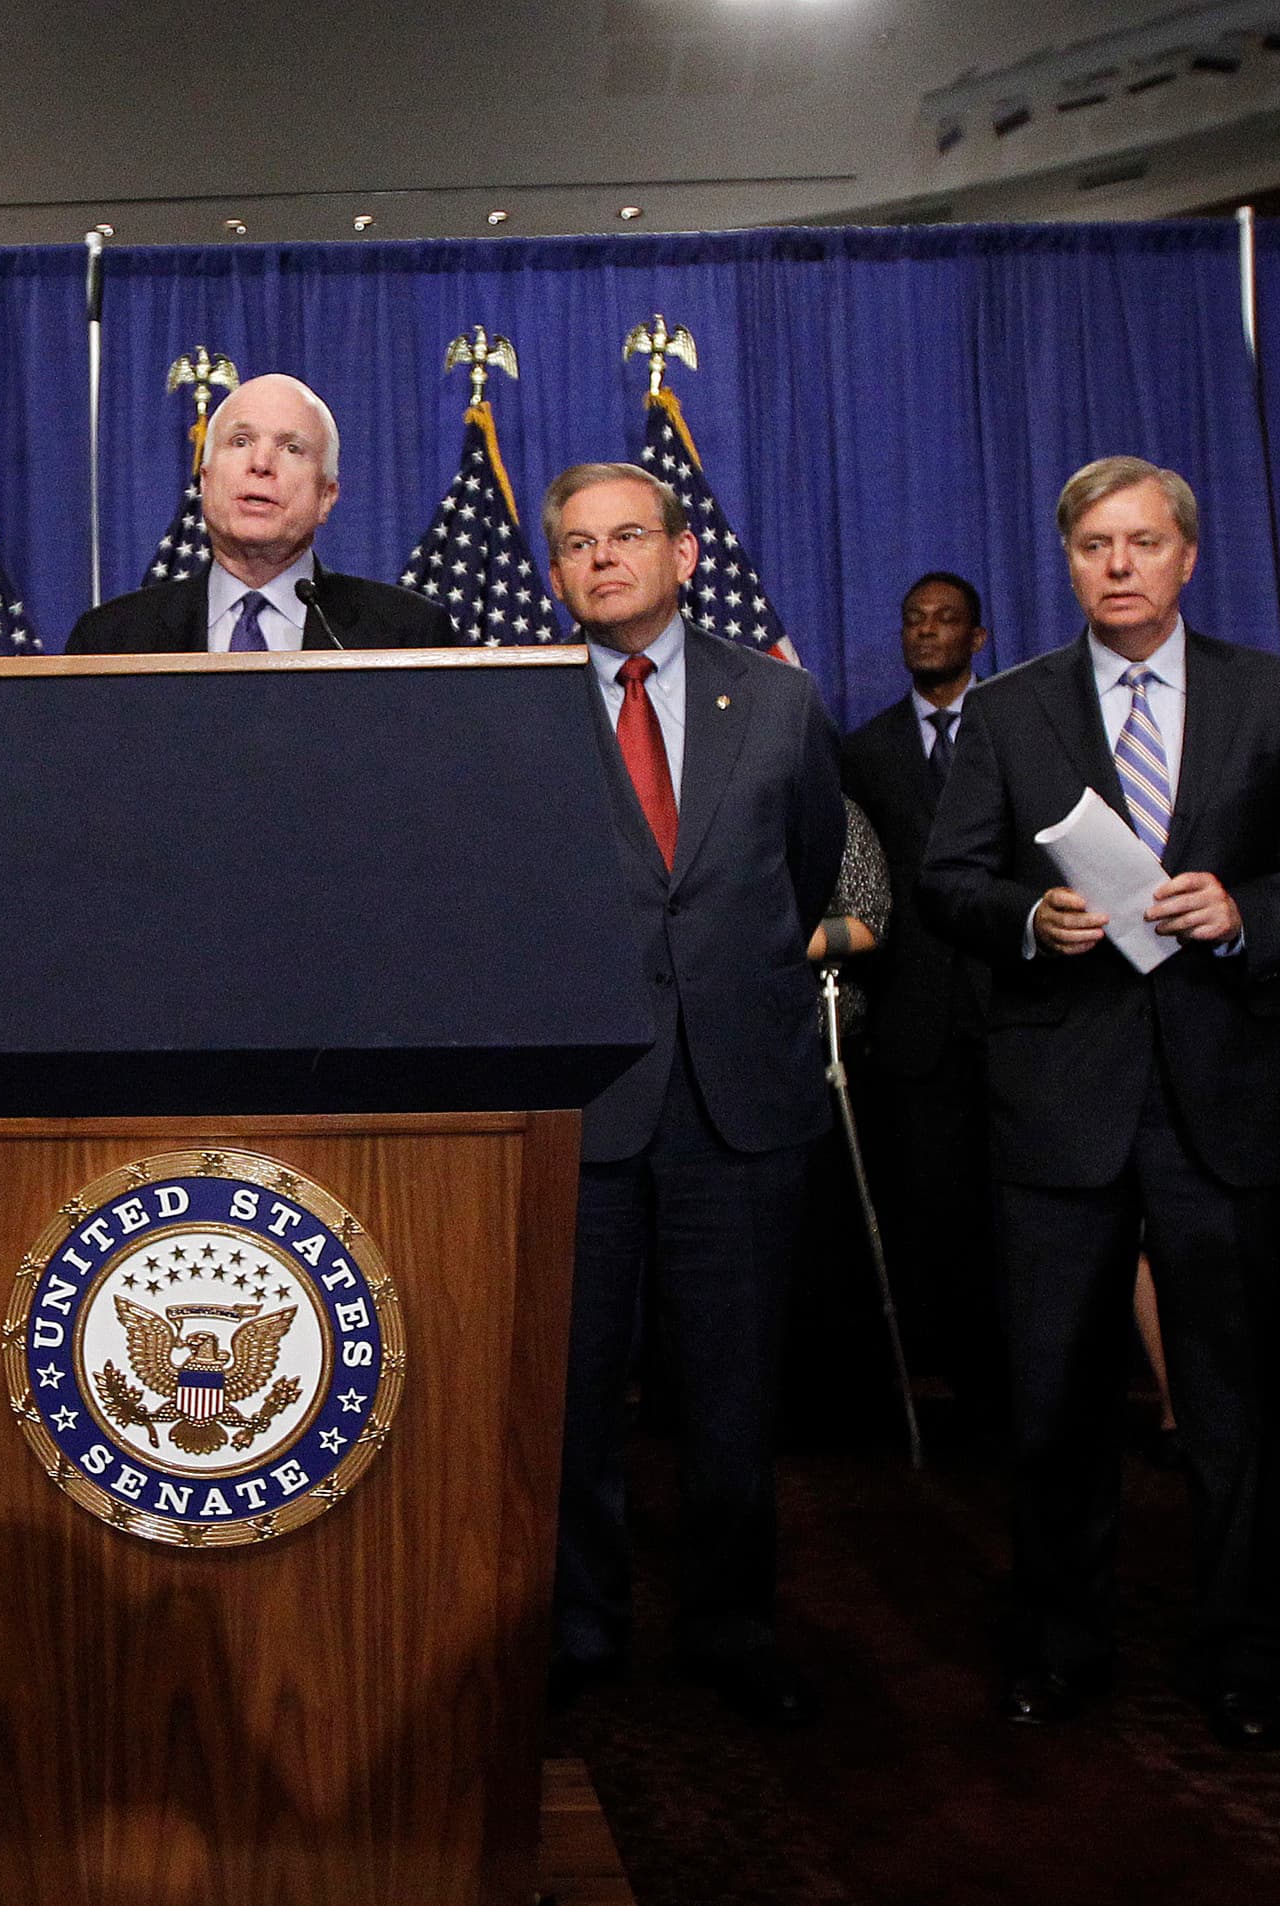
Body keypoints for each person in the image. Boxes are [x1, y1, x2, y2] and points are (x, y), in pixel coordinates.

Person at [919, 455, 1280, 1754]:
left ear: (1186, 556)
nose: (1117, 563)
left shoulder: (1272, 696)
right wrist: (1027, 916)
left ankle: (1247, 1654)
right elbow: (949, 879)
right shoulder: (1009, 710)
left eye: (1141, 541)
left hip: (1227, 1093)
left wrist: (1248, 912)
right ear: (1068, 564)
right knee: (1055, 1400)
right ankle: (1060, 1646)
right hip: (1063, 1102)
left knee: (1236, 1404)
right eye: (1092, 546)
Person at [541, 460, 845, 1724]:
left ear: (682, 555)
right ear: (553, 571)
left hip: (740, 1100)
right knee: (567, 1401)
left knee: (729, 1395)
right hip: (588, 1100)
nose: (601, 560)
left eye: (625, 537)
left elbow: (812, 857)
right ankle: (576, 1631)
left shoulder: (774, 700)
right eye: (575, 545)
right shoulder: (527, 706)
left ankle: (729, 1627)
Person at [838, 572, 1004, 1443]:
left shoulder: (1020, 730)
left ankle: (1014, 1398)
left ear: (979, 637)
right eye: (913, 620)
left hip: (1015, 1012)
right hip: (910, 1025)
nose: (926, 632)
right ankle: (940, 1405)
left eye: (945, 621)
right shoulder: (863, 752)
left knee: (1013, 1218)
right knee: (926, 1220)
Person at [65, 374, 456, 654]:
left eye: (291, 448)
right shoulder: (111, 642)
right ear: (205, 480)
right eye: (241, 441)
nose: (261, 463)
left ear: (327, 496)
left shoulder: (408, 635)